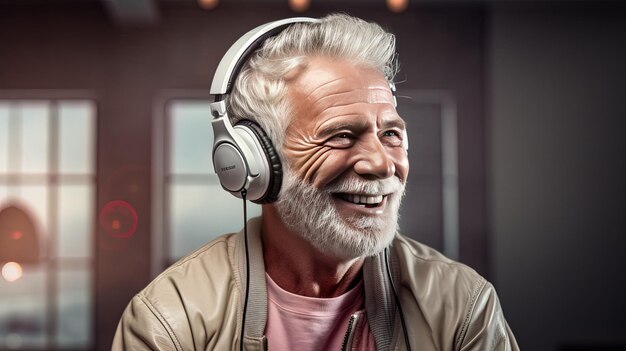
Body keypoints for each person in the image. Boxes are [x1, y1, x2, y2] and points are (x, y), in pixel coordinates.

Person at [112, 14, 518, 351]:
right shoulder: (169, 319)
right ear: (254, 162)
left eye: (391, 134)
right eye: (341, 135)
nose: (381, 163)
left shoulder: (463, 308)